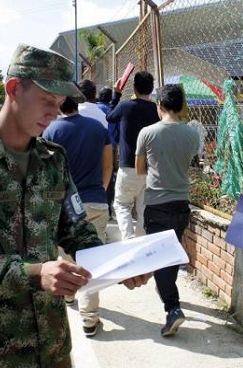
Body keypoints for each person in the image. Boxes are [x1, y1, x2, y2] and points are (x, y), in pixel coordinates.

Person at [0, 44, 150, 368]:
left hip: (51, 345)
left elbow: (77, 230)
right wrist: (34, 274)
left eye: (58, 104)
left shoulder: (52, 160)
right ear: (13, 89)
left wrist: (117, 267)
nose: (54, 113)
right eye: (46, 101)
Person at [42, 96, 112, 338]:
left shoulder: (51, 130)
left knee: (65, 251)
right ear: (78, 104)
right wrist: (100, 191)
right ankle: (90, 320)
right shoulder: (98, 128)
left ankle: (69, 293)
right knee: (92, 259)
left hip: (65, 203)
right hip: (96, 199)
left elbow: (46, 171)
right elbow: (108, 166)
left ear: (59, 106)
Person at [135, 84, 199, 337]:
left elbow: (140, 170)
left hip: (156, 202)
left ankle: (173, 308)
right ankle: (169, 296)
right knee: (170, 254)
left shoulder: (147, 133)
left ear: (159, 105)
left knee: (160, 260)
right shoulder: (193, 133)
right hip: (182, 203)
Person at [106, 71, 159, 239]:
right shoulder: (156, 110)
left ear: (134, 87)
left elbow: (110, 117)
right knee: (144, 208)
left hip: (128, 166)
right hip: (150, 168)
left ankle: (129, 239)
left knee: (122, 204)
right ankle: (141, 240)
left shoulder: (125, 106)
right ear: (151, 89)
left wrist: (117, 94)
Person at [97, 87, 118, 219]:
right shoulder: (113, 110)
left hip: (94, 144)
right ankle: (108, 209)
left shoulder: (94, 108)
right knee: (109, 175)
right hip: (110, 146)